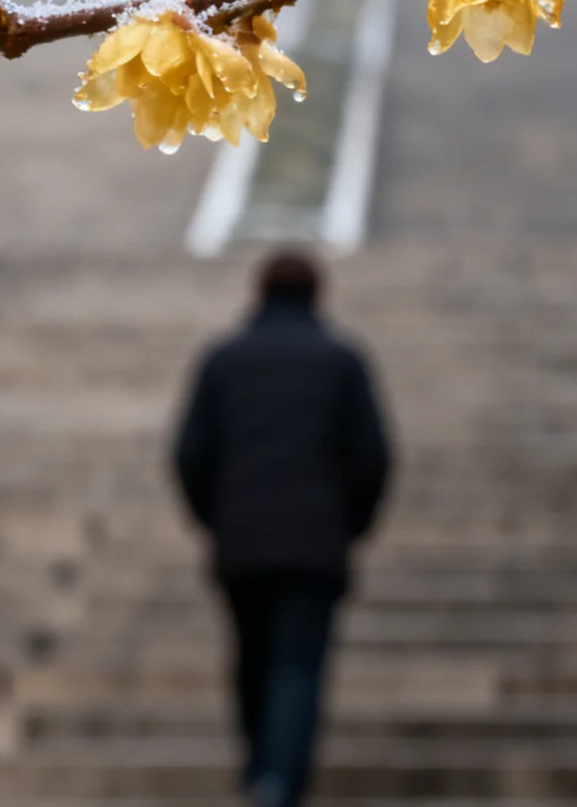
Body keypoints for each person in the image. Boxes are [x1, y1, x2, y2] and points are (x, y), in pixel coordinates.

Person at [172, 250, 392, 807]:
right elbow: (372, 456)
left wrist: (214, 519)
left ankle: (260, 771)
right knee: (297, 665)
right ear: (318, 295)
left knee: (251, 658)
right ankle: (280, 782)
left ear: (258, 294)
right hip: (316, 543)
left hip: (242, 541)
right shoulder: (342, 361)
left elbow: (190, 453)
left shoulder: (224, 359)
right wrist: (351, 524)